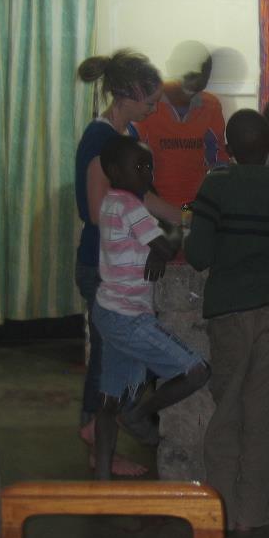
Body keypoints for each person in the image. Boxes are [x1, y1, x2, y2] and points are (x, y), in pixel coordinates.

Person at [184, 109, 269, 532]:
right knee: (267, 414)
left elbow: (199, 255)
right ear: (268, 148)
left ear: (228, 148)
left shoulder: (214, 187)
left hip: (227, 312)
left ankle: (220, 513)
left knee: (228, 410)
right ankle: (253, 514)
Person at [74, 50, 181, 476]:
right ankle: (95, 436)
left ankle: (98, 439)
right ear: (127, 94)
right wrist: (150, 230)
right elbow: (98, 211)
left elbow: (142, 194)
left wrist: (184, 215)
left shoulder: (127, 131)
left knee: (109, 356)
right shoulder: (99, 141)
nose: (154, 108)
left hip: (116, 260)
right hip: (101, 263)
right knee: (108, 360)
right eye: (149, 100)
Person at [91, 134, 210, 480]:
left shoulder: (111, 203)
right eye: (138, 166)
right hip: (129, 317)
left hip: (108, 311)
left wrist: (158, 246)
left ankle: (101, 479)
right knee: (196, 371)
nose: (146, 172)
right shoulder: (130, 205)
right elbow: (168, 246)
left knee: (108, 400)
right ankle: (139, 416)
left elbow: (154, 246)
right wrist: (166, 241)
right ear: (114, 170)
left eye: (149, 166)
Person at [135, 40, 228, 207]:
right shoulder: (147, 106)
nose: (196, 81)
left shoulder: (211, 106)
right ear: (171, 67)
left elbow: (218, 158)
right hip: (153, 204)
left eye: (204, 74)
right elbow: (132, 163)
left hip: (194, 205)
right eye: (190, 73)